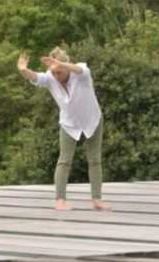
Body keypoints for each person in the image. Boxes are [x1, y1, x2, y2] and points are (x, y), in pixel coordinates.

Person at [18, 46, 111, 211]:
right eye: (53, 73)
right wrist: (24, 70)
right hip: (69, 123)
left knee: (95, 160)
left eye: (59, 72)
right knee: (64, 160)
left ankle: (97, 199)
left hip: (93, 119)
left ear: (65, 66)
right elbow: (35, 77)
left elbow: (79, 68)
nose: (56, 76)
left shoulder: (80, 73)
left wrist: (61, 63)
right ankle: (60, 200)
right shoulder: (51, 77)